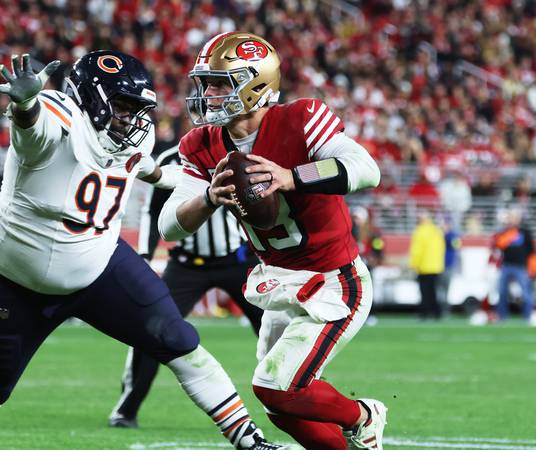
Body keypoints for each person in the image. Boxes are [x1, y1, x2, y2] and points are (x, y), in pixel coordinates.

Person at [0, 51, 295, 450]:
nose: (132, 118)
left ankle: (249, 440)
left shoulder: (133, 137)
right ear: (90, 98)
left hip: (98, 263)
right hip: (14, 276)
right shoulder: (56, 117)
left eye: (137, 109)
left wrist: (197, 181)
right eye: (122, 105)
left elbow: (149, 169)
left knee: (179, 341)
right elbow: (31, 132)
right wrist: (25, 104)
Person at [159, 32, 385, 450]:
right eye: (205, 84)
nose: (208, 94)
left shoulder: (301, 117)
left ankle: (364, 416)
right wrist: (208, 198)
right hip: (279, 279)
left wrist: (293, 176)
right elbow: (169, 226)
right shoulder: (201, 145)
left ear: (256, 83)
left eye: (219, 84)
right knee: (281, 407)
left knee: (276, 386)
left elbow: (366, 169)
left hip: (335, 280)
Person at [109, 144, 264, 429]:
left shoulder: (241, 155)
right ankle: (126, 408)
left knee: (274, 326)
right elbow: (153, 211)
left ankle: (299, 397)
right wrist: (144, 256)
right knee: (151, 328)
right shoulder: (172, 159)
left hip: (238, 259)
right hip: (187, 264)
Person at [492, 208, 536, 321]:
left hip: (521, 266)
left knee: (526, 292)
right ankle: (501, 316)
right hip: (506, 265)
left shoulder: (525, 232)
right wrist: (506, 237)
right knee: (502, 292)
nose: (512, 220)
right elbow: (497, 246)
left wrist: (532, 267)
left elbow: (532, 250)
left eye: (515, 217)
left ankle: (528, 316)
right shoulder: (503, 232)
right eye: (511, 217)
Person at [409, 212, 446, 320]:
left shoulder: (420, 231)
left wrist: (414, 264)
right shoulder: (436, 231)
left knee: (424, 291)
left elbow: (417, 250)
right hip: (436, 267)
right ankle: (436, 312)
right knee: (433, 291)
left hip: (424, 266)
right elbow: (441, 248)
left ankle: (424, 312)